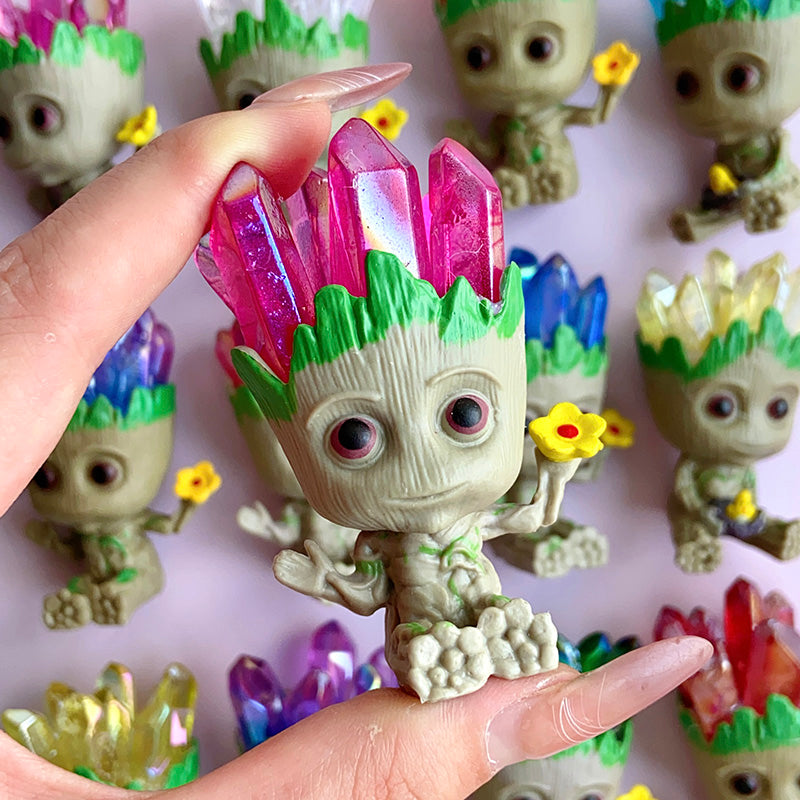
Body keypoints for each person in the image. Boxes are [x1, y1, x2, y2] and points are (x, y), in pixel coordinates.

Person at [0, 63, 711, 800]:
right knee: (435, 649)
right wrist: (332, 579)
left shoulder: (472, 519)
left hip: (489, 625)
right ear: (289, 436)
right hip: (425, 645)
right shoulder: (385, 544)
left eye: (464, 414)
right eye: (353, 438)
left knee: (499, 631)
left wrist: (555, 471)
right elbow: (376, 588)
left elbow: (527, 516)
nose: (424, 464)